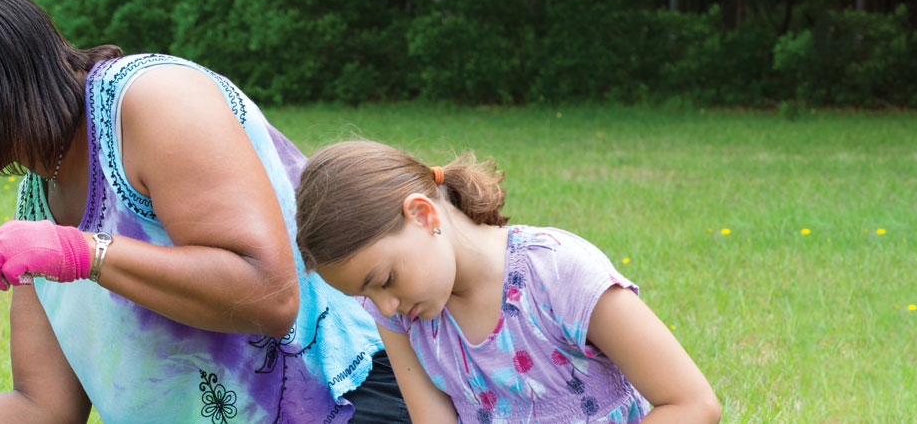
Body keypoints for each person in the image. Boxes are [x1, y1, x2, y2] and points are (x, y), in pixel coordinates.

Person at [0, 0, 407, 424]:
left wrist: (82, 252)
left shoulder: (149, 100)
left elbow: (270, 293)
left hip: (352, 399)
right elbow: (42, 408)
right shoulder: (36, 202)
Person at [292, 140, 721, 423]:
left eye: (384, 280)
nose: (384, 307)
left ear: (422, 215)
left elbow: (692, 404)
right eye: (364, 295)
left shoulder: (557, 272)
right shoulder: (404, 318)